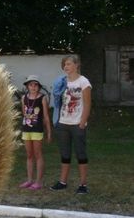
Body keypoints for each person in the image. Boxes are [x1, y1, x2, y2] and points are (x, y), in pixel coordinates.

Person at [50, 55, 91, 194]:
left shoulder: (83, 82)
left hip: (77, 124)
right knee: (65, 154)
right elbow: (57, 101)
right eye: (64, 64)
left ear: (76, 65)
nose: (66, 67)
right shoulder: (62, 81)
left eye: (68, 64)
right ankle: (62, 182)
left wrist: (82, 122)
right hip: (63, 123)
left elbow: (87, 104)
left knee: (81, 154)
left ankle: (83, 184)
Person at [19, 75, 52, 190]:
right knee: (29, 155)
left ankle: (38, 181)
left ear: (38, 87)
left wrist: (49, 132)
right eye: (31, 85)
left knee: (38, 155)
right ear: (27, 86)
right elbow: (24, 113)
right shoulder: (24, 98)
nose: (33, 87)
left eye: (35, 85)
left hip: (37, 130)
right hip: (26, 129)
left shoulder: (42, 98)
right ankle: (29, 180)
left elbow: (46, 117)